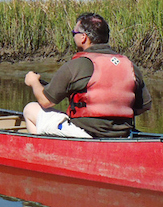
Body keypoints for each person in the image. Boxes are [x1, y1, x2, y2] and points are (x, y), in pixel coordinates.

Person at [23, 13, 151, 138]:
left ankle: (41, 153)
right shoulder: (130, 66)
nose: (73, 37)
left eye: (74, 34)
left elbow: (46, 101)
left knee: (30, 109)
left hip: (85, 134)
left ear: (83, 37)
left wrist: (34, 82)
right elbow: (144, 106)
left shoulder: (77, 65)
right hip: (122, 134)